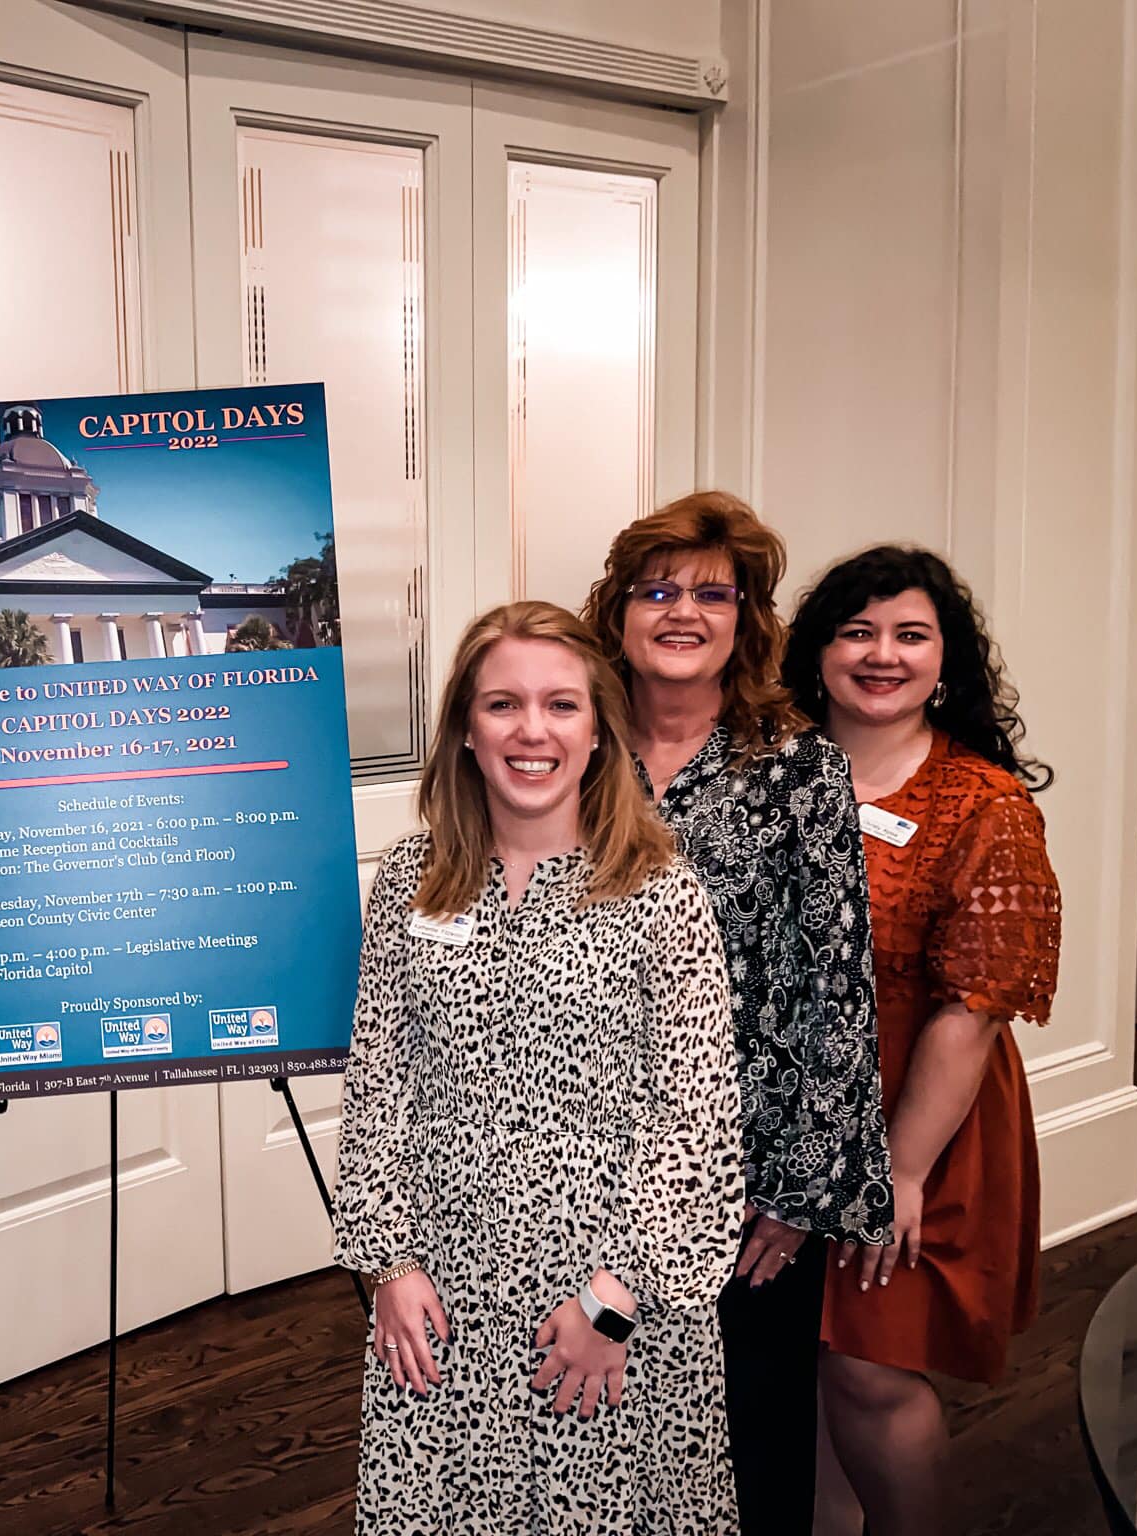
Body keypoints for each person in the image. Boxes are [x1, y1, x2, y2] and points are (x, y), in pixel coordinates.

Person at [333, 600, 745, 1536]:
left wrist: (613, 1304)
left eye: (561, 706)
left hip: (616, 1291)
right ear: (465, 733)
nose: (532, 731)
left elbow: (700, 1124)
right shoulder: (411, 879)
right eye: (502, 705)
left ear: (599, 732)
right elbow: (378, 1083)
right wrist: (390, 1264)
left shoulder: (659, 892)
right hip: (443, 1286)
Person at [582, 492, 892, 1533]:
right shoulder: (568, 754)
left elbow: (836, 987)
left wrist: (801, 1192)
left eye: (710, 593)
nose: (682, 611)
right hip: (583, 1145)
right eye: (656, 589)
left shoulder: (800, 771)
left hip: (747, 1167)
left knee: (746, 1430)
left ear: (744, 617)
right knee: (597, 1411)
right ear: (616, 612)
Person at [782, 546, 1061, 1536]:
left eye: (908, 635)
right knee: (802, 1353)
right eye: (855, 631)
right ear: (815, 650)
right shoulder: (769, 770)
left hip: (916, 1112)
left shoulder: (980, 802)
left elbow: (973, 1005)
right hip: (782, 1110)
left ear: (943, 662)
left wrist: (896, 1173)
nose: (880, 655)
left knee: (865, 1364)